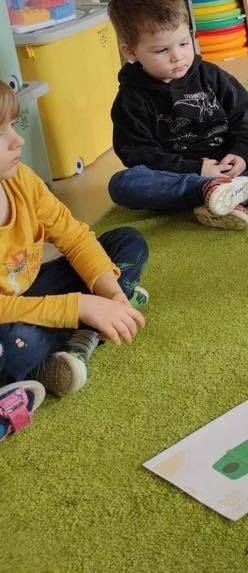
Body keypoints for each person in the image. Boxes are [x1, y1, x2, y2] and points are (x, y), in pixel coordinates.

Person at [0, 82, 148, 430]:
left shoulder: (20, 179)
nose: (17, 140)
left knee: (127, 243)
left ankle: (93, 325)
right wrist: (79, 305)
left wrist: (109, 292)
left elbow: (74, 237)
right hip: (7, 321)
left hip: (29, 292)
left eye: (12, 125)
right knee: (16, 346)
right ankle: (80, 336)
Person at [105, 0, 248, 231]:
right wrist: (198, 170)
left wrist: (240, 153)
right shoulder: (131, 98)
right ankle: (210, 192)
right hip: (178, 175)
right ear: (131, 52)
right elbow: (137, 153)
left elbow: (243, 115)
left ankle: (230, 195)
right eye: (162, 50)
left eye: (184, 43)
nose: (177, 56)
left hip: (227, 164)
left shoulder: (211, 75)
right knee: (123, 184)